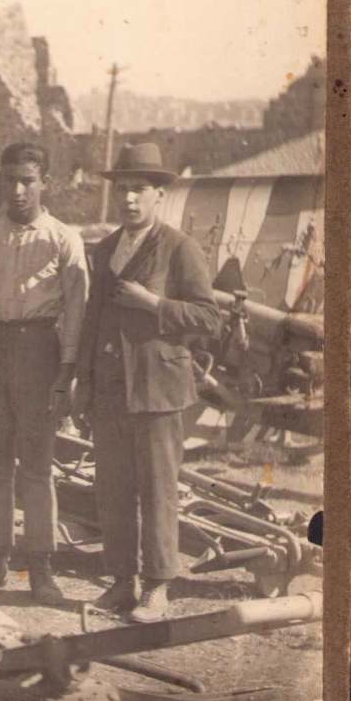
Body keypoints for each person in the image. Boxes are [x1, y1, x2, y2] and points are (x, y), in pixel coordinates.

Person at [75, 143, 220, 623]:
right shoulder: (104, 249)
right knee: (112, 489)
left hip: (158, 389)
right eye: (122, 190)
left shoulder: (179, 248)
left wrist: (153, 304)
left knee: (158, 491)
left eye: (139, 190)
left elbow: (209, 318)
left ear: (159, 194)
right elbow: (94, 320)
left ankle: (158, 586)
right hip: (111, 388)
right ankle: (122, 582)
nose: (129, 199)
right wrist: (84, 383)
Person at [0, 143, 88, 604]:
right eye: (9, 180)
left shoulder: (64, 238)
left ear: (44, 182)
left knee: (36, 466)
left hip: (40, 352)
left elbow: (77, 311)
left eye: (28, 180)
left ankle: (41, 569)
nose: (18, 190)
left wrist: (65, 372)